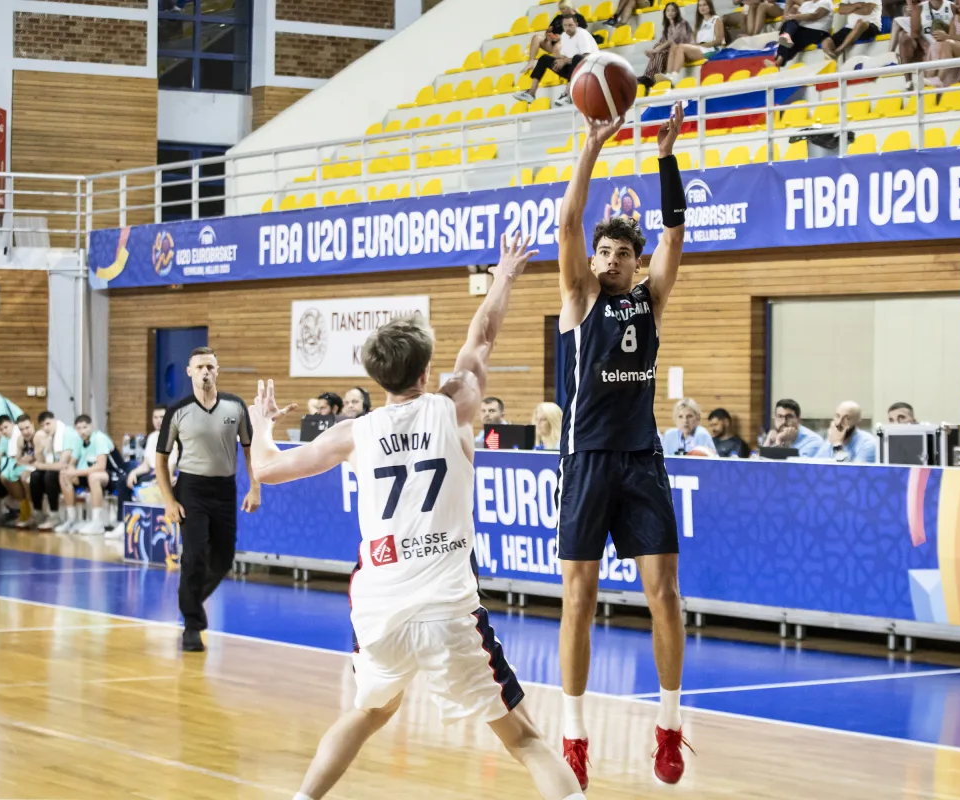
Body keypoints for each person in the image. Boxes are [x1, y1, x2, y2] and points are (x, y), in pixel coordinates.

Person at [247, 234, 584, 800]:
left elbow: (267, 468)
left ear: (377, 378)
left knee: (368, 713)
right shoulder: (455, 404)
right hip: (446, 609)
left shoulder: (353, 432)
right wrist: (503, 275)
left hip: (379, 608)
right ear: (425, 372)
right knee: (525, 740)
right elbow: (483, 337)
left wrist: (260, 422)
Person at [554, 101, 689, 788]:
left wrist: (665, 157)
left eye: (620, 253)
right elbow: (569, 222)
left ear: (635, 265)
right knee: (579, 598)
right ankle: (574, 735)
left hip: (641, 458)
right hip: (585, 461)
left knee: (664, 593)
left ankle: (668, 726)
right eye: (602, 252)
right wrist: (592, 145)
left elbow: (674, 231)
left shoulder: (648, 302)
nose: (608, 259)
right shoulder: (578, 297)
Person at [156, 346, 261, 653]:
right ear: (190, 371)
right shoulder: (178, 412)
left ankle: (188, 601)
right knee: (194, 554)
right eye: (200, 367)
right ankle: (192, 624)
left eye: (210, 367)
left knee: (224, 558)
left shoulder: (235, 407)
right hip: (191, 489)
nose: (205, 372)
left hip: (225, 489)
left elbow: (250, 450)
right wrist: (168, 500)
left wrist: (255, 487)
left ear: (218, 370)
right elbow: (161, 461)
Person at [513, 16, 598, 106]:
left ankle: (567, 94)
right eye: (565, 25)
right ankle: (531, 93)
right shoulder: (565, 36)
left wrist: (564, 61)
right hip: (574, 70)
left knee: (577, 58)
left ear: (576, 24)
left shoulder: (582, 34)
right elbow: (563, 56)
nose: (567, 28)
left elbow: (586, 58)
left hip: (589, 70)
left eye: (570, 25)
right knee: (544, 58)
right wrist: (558, 55)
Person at [61, 415, 116, 535]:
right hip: (89, 475)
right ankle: (72, 519)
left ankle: (98, 522)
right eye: (78, 428)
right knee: (63, 476)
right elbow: (72, 463)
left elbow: (101, 466)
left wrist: (75, 472)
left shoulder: (99, 438)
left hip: (113, 475)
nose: (82, 431)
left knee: (94, 476)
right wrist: (70, 471)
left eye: (85, 427)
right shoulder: (79, 441)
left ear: (92, 427)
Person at [30, 411, 80, 531]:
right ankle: (38, 513)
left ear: (55, 421)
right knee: (35, 475)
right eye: (42, 426)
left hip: (74, 469)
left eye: (48, 424)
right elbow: (42, 462)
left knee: (49, 475)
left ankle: (55, 515)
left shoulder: (67, 433)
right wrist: (38, 450)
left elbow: (62, 465)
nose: (45, 428)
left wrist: (41, 466)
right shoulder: (50, 437)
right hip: (60, 469)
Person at [769, 0, 834, 67]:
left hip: (818, 32)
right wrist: (787, 18)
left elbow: (814, 16)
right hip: (801, 30)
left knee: (789, 37)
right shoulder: (806, 4)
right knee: (789, 25)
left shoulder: (826, 2)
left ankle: (779, 60)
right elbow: (797, 18)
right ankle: (779, 60)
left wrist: (792, 16)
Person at [644, 3, 695, 86]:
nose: (670, 13)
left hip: (684, 50)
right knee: (657, 53)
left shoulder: (682, 23)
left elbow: (673, 40)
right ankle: (648, 77)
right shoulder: (667, 27)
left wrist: (656, 49)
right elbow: (662, 41)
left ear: (677, 12)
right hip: (673, 51)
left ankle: (651, 79)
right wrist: (655, 48)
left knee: (659, 54)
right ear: (665, 13)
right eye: (668, 10)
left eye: (673, 10)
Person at [893, 0, 953, 64]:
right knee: (904, 37)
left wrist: (948, 37)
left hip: (947, 45)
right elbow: (915, 34)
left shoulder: (952, 7)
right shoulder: (919, 8)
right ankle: (905, 70)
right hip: (926, 47)